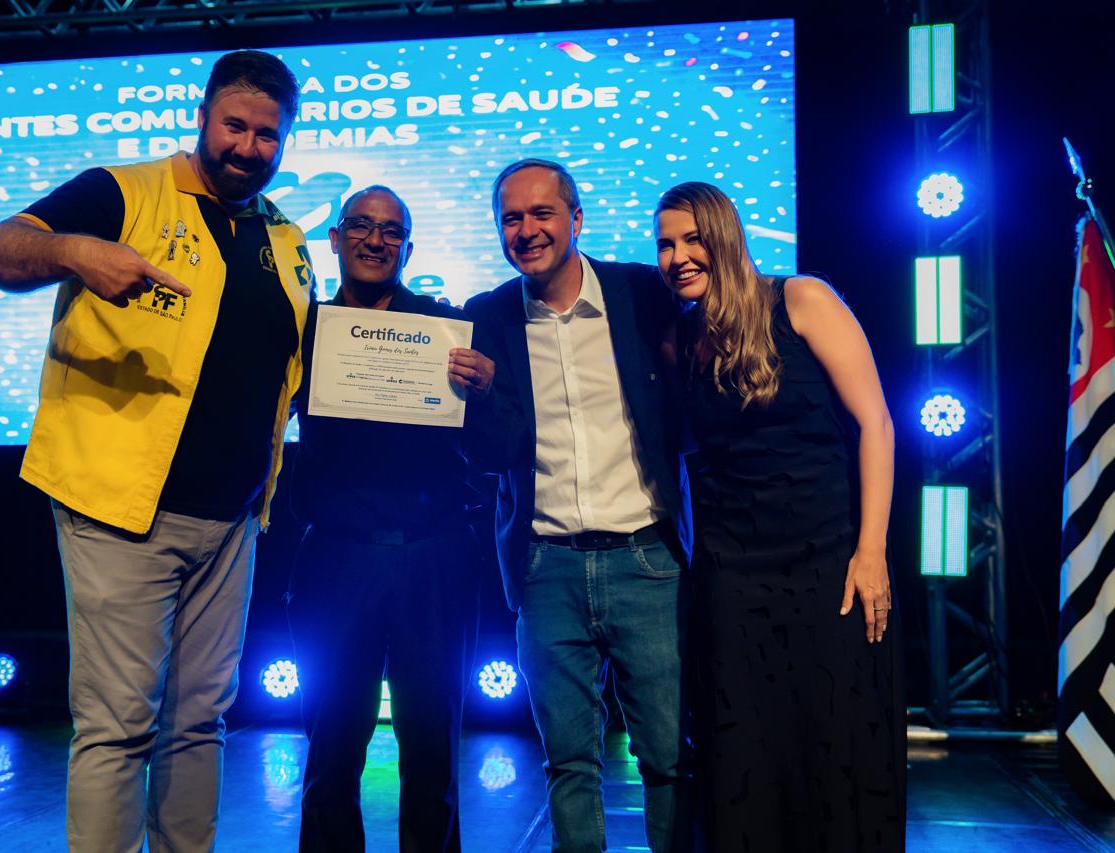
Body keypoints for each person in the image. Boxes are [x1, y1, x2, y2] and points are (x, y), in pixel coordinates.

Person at [0, 50, 310, 852]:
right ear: (202, 118)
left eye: (268, 134)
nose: (249, 147)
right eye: (235, 125)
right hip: (121, 510)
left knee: (200, 723)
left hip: (230, 522)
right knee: (119, 726)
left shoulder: (283, 234)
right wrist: (76, 252)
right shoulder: (121, 192)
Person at [654, 181, 905, 851]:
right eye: (665, 245)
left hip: (831, 568)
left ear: (724, 236)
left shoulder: (802, 299)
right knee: (745, 761)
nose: (677, 256)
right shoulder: (680, 340)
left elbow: (876, 423)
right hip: (733, 578)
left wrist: (871, 550)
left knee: (837, 749)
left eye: (690, 238)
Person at [463, 159, 694, 853]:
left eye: (541, 214)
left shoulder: (641, 293)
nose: (526, 230)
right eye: (511, 218)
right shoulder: (488, 316)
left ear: (575, 219)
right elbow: (491, 454)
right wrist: (475, 399)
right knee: (568, 761)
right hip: (546, 568)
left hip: (646, 559)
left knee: (667, 756)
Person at [286, 185, 495, 852]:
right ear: (337, 239)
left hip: (433, 553)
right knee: (330, 743)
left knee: (432, 745)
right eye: (362, 227)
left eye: (391, 231)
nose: (376, 240)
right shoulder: (304, 331)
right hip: (336, 555)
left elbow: (491, 443)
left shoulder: (444, 329)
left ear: (409, 247)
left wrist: (484, 391)